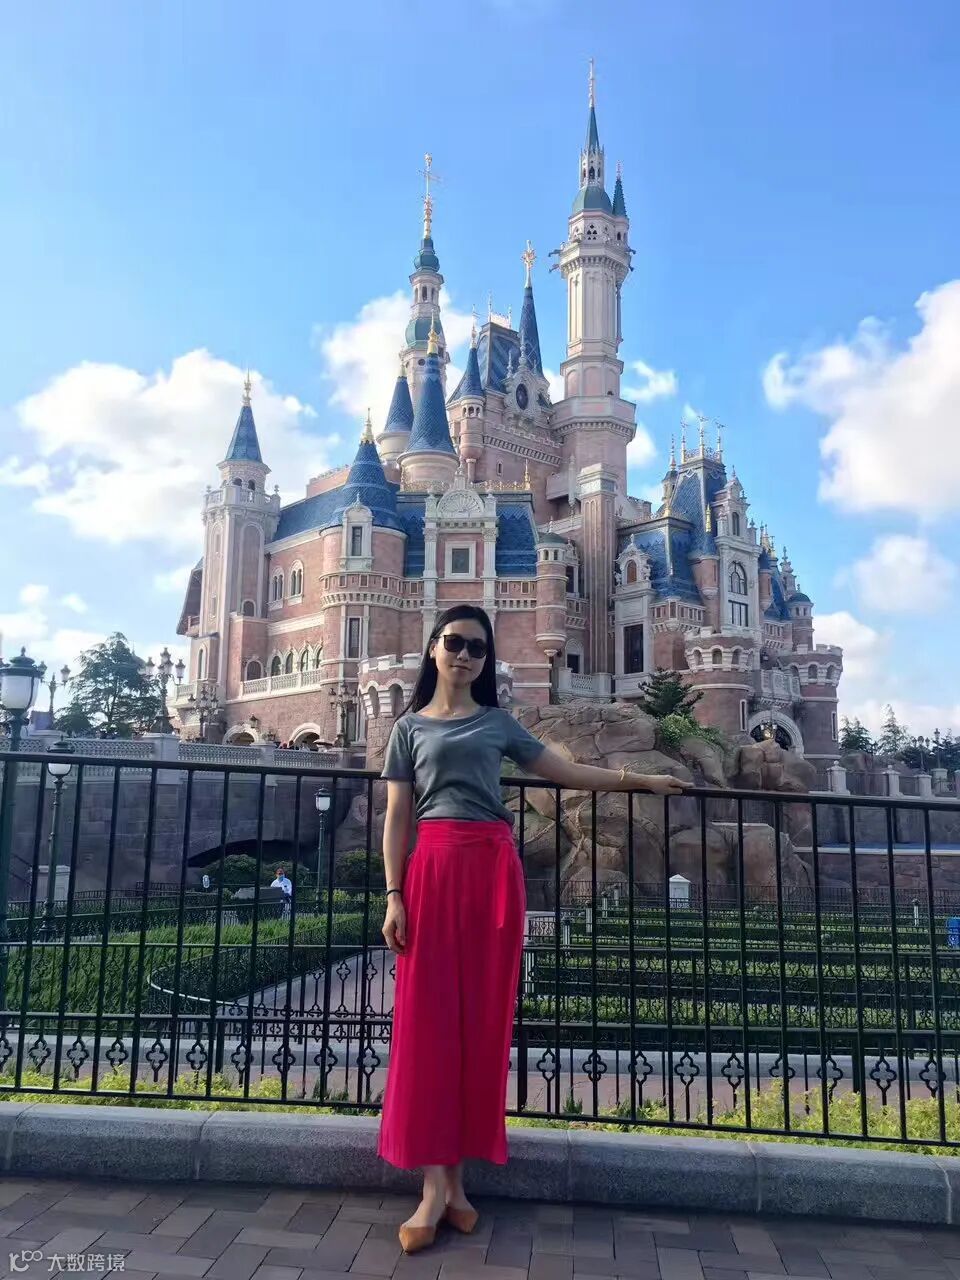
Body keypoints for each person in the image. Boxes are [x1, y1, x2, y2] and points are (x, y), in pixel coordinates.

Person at [378, 605, 686, 1255]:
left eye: (477, 648)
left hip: (491, 869)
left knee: (481, 1025)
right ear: (433, 649)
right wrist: (394, 895)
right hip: (433, 870)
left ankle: (455, 1185)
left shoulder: (497, 723)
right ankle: (435, 1188)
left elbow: (563, 772)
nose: (465, 655)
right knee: (430, 1025)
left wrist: (638, 778)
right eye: (455, 642)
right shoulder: (408, 728)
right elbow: (398, 817)